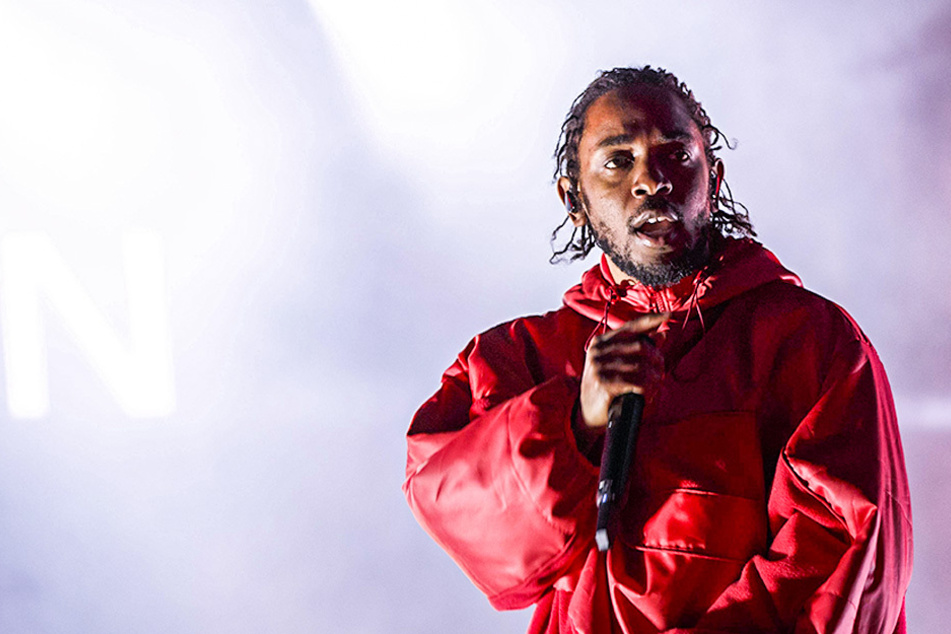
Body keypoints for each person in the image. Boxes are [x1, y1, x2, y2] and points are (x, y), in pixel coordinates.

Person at [402, 66, 913, 633]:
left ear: (712, 179)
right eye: (618, 161)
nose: (653, 180)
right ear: (574, 197)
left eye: (676, 153)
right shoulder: (521, 357)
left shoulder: (810, 341)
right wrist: (571, 420)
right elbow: (451, 503)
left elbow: (847, 554)